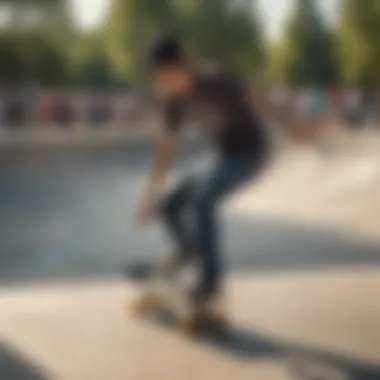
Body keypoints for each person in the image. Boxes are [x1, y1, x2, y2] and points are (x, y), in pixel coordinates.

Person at [136, 35, 270, 315]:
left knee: (202, 200)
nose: (164, 84)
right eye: (159, 78)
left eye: (167, 76)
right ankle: (188, 251)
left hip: (249, 153)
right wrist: (149, 196)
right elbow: (166, 149)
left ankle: (211, 285)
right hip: (221, 156)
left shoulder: (218, 83)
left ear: (182, 66)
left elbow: (259, 100)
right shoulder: (173, 102)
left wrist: (297, 126)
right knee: (170, 204)